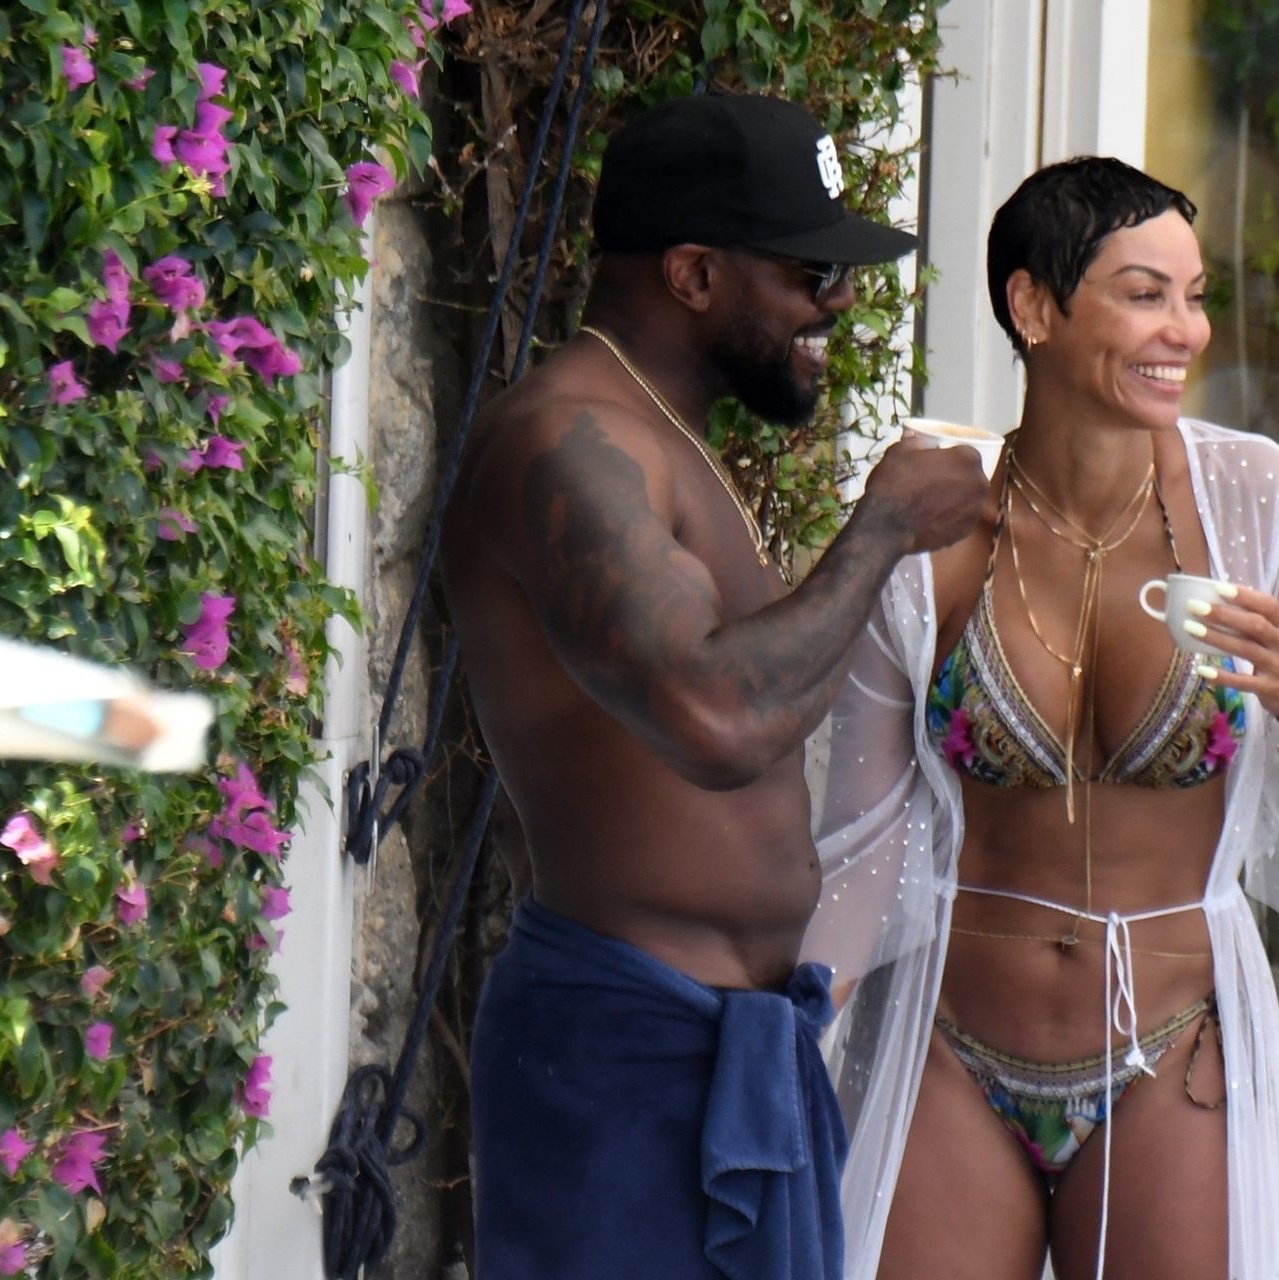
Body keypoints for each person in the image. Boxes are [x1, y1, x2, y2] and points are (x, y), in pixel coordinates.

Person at [806, 157, 1279, 1280]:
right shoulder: (936, 519)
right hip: (948, 1046)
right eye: (1146, 295)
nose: (1185, 331)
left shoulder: (1256, 502)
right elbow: (861, 833)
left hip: (1173, 1048)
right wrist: (784, 1034)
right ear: (1033, 306)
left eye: (1194, 297)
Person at [444, 92, 988, 1280]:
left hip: (725, 1053)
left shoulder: (661, 438)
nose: (837, 302)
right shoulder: (564, 442)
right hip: (621, 1062)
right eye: (809, 272)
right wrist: (883, 528)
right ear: (693, 272)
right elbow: (717, 717)